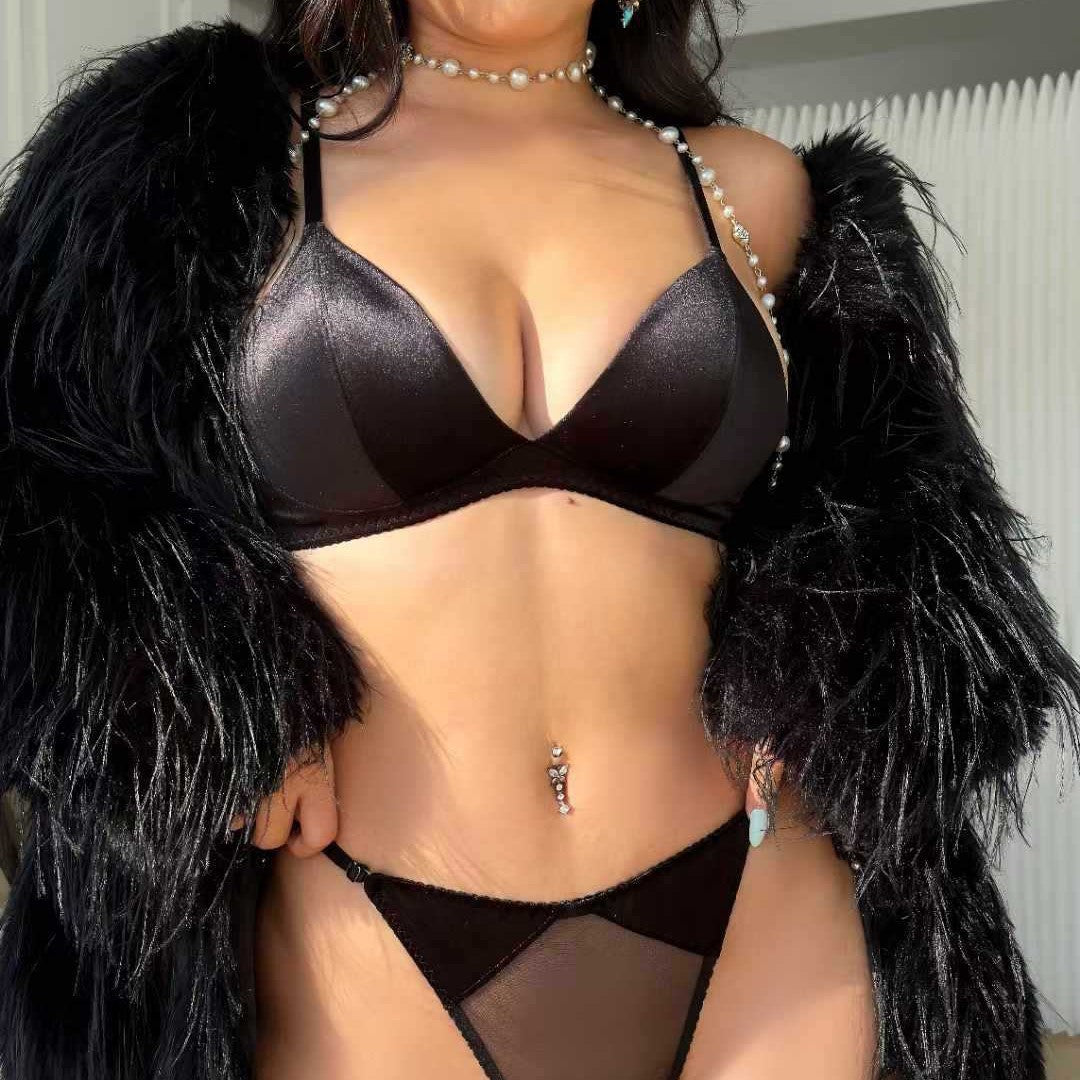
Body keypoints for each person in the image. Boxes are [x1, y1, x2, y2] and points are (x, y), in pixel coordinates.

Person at [0, 3, 1076, 1080]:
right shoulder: (211, 161)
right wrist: (210, 703)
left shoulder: (755, 190)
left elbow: (904, 524)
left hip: (761, 913)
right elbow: (55, 486)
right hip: (359, 918)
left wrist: (824, 682)